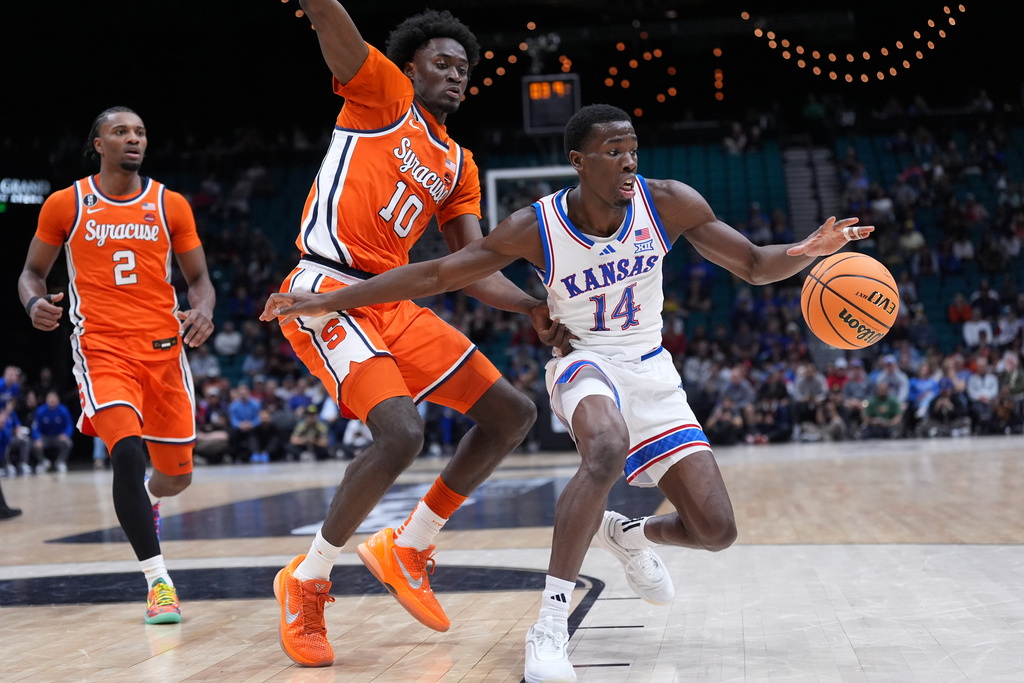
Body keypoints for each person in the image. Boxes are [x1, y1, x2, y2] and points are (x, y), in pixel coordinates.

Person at [262, 103, 872, 681]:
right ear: (579, 161)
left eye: (633, 150)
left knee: (716, 530)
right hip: (583, 361)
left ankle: (627, 534)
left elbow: (755, 264)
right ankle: (550, 625)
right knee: (604, 450)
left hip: (651, 369)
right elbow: (438, 274)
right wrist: (329, 299)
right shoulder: (537, 225)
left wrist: (806, 252)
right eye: (614, 151)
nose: (630, 161)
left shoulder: (669, 202)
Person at [263, 1, 564, 669]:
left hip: (392, 298)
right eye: (442, 62)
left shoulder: (459, 163)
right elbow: (330, 22)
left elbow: (470, 267)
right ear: (411, 67)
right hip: (327, 292)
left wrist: (529, 304)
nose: (455, 74)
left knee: (511, 414)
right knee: (400, 432)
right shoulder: (381, 95)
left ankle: (410, 542)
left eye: (463, 68)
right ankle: (307, 579)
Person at [18, 106, 215, 624]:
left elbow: (199, 281)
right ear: (98, 144)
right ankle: (159, 583)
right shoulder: (67, 203)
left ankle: (151, 498)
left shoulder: (170, 204)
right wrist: (33, 303)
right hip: (101, 349)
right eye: (121, 131)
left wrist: (204, 311)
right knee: (125, 451)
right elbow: (32, 273)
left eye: (140, 132)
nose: (134, 139)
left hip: (164, 354)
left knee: (175, 479)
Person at [31, 390, 74, 473]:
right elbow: (35, 428)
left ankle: (61, 462)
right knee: (34, 444)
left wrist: (66, 435)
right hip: (45, 437)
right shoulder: (40, 411)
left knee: (68, 443)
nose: (52, 400)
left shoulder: (63, 410)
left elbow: (69, 425)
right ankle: (42, 462)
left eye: (54, 398)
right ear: (46, 400)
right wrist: (37, 438)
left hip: (58, 437)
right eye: (50, 398)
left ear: (58, 400)